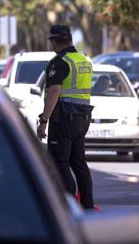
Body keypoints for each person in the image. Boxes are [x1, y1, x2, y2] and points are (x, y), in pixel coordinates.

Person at [36, 24, 95, 209]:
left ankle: (69, 207)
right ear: (69, 39)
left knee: (60, 161)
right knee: (79, 163)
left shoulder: (59, 62)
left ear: (54, 41)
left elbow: (54, 91)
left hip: (63, 119)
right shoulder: (84, 60)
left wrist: (44, 120)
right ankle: (87, 205)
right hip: (82, 118)